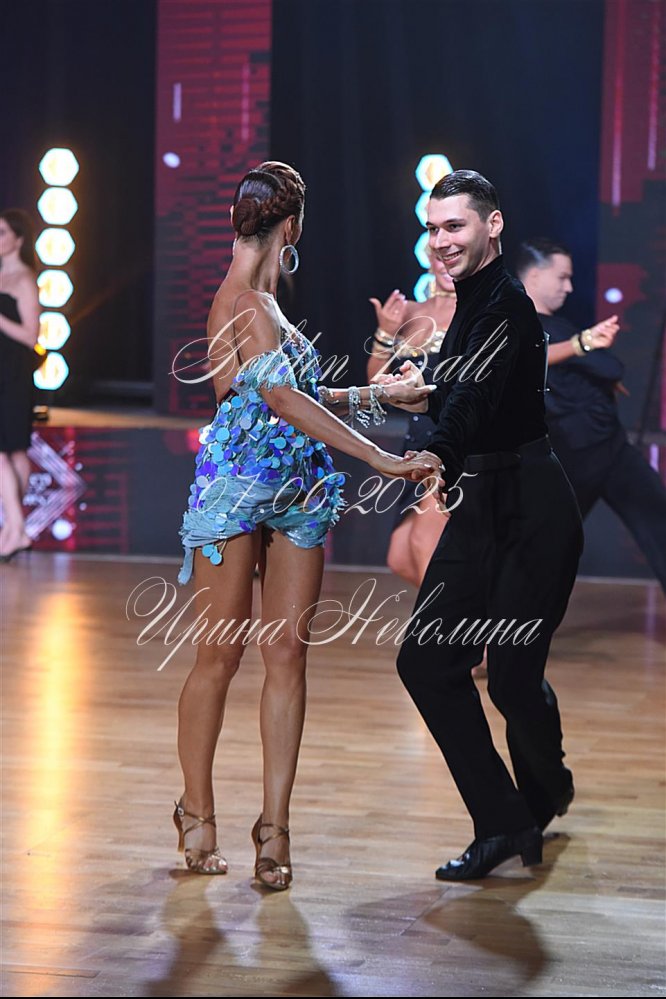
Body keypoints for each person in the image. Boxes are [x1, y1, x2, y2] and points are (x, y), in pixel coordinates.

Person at [174, 162, 438, 889]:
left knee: (287, 655)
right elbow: (284, 403)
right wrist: (382, 457)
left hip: (300, 492)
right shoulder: (243, 302)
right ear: (292, 226)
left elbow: (304, 392)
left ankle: (274, 828)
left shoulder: (267, 305)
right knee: (220, 657)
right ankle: (197, 813)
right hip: (235, 494)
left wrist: (379, 396)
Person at [388, 170, 583, 880]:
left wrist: (435, 450)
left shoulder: (504, 304)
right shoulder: (471, 300)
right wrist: (424, 393)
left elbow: (471, 402)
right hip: (483, 503)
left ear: (492, 225)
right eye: (433, 228)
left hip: (532, 510)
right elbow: (467, 387)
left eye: (455, 226)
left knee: (511, 681)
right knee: (425, 661)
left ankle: (546, 788)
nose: (441, 241)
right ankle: (503, 821)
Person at [517, 237, 666, 593]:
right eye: (562, 277)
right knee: (544, 549)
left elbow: (607, 367)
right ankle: (510, 617)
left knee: (657, 523)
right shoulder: (520, 326)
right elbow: (537, 361)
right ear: (534, 276)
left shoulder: (554, 325)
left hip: (605, 449)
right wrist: (585, 349)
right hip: (574, 456)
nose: (569, 287)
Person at [367, 248, 457, 586]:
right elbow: (375, 382)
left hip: (452, 438)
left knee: (424, 542)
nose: (446, 264)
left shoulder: (477, 312)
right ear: (428, 258)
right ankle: (471, 613)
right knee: (401, 556)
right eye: (439, 256)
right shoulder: (410, 312)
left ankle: (453, 619)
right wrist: (386, 332)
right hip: (416, 442)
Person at [0, 209, 40, 563]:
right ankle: (15, 531)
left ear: (18, 239)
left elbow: (31, 336)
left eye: (2, 233)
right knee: (10, 452)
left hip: (13, 374)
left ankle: (13, 528)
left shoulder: (25, 279)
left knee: (13, 450)